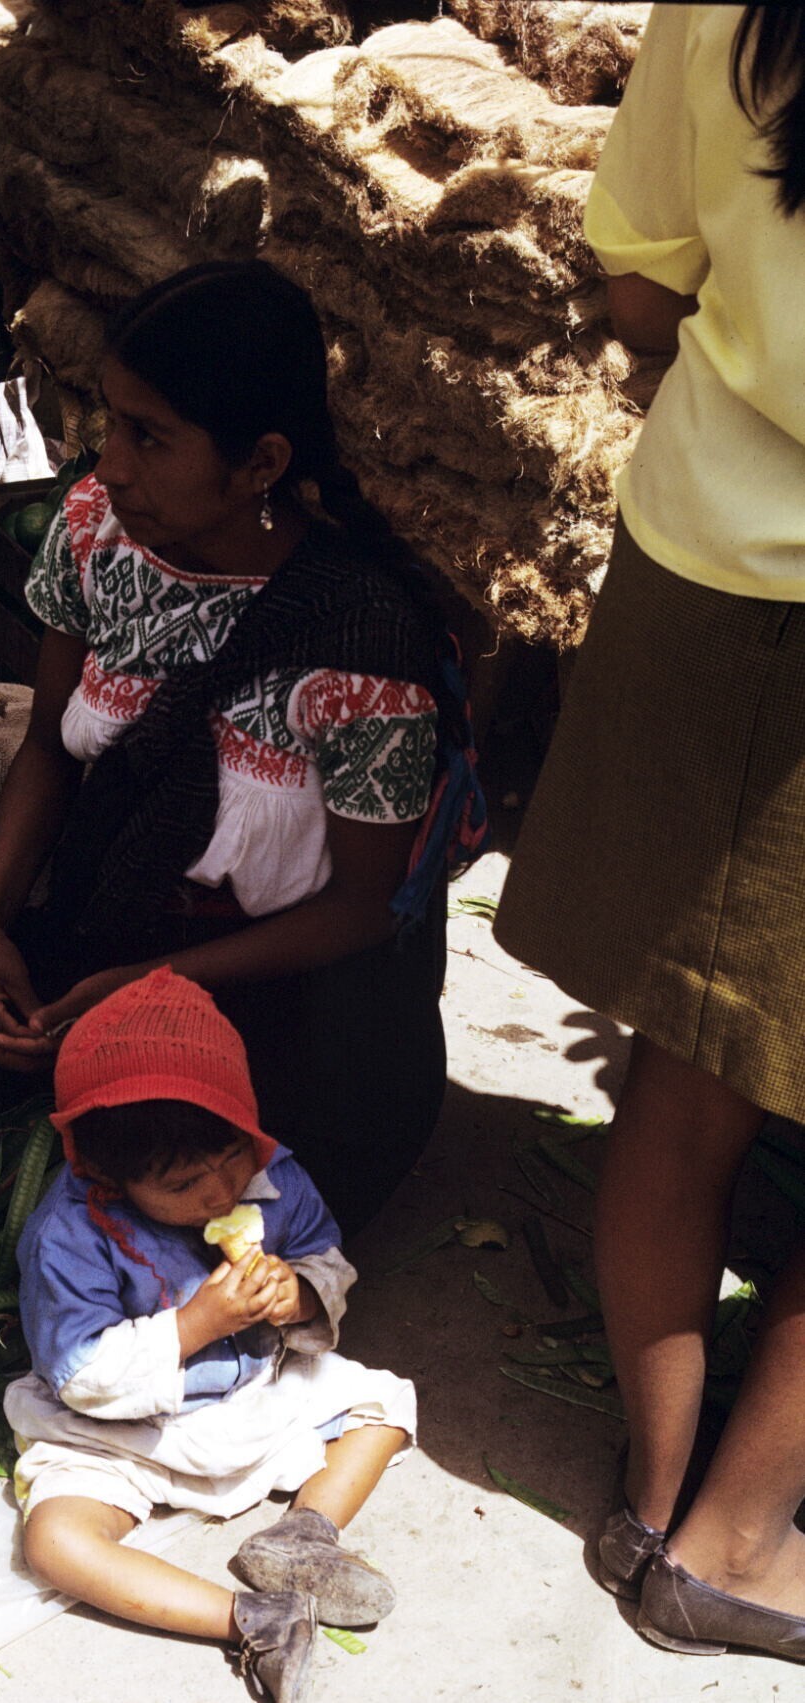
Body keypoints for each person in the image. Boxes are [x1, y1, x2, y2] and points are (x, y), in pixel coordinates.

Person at [0, 259, 482, 1237]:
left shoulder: (361, 642)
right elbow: (48, 749)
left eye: (148, 436)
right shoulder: (96, 533)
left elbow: (363, 907)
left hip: (276, 992)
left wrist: (156, 991)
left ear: (261, 463)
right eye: (111, 422)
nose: (110, 464)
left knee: (178, 1207)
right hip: (115, 921)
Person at [493, 3, 805, 1665]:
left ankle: (658, 1488)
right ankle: (734, 1543)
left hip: (704, 574)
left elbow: (637, 279)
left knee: (689, 1066)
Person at [4, 965, 415, 1703]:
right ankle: (250, 1618)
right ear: (103, 1175)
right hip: (121, 1434)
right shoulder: (68, 1235)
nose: (221, 1191)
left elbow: (325, 1254)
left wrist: (300, 1294)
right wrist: (197, 1324)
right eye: (183, 1185)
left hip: (254, 1392)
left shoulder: (273, 1174)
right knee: (55, 1544)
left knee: (386, 1404)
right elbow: (79, 1373)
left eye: (231, 1157)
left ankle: (302, 1536)